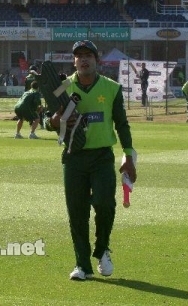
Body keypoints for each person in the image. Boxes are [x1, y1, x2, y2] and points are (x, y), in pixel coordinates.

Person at [47, 40, 136, 281]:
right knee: (77, 212)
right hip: (73, 157)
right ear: (74, 61)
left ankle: (102, 248)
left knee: (105, 203)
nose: (84, 59)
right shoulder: (62, 88)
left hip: (102, 156)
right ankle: (82, 264)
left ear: (97, 60)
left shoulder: (112, 88)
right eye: (79, 56)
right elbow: (49, 121)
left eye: (89, 55)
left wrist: (129, 155)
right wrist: (55, 121)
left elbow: (122, 124)